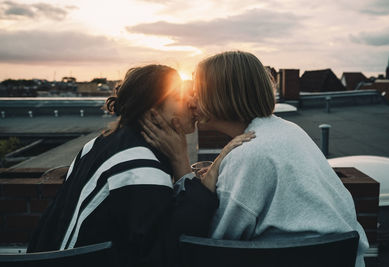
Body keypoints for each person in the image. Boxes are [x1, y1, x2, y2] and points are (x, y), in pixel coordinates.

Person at [142, 51, 369, 267]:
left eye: (198, 90)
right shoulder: (287, 130)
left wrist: (183, 172)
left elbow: (211, 241)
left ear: (223, 95)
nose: (191, 101)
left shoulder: (249, 153)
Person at [27, 64, 245, 267]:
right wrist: (196, 171)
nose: (193, 103)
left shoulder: (100, 143)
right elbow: (170, 252)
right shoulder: (140, 166)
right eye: (180, 96)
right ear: (153, 111)